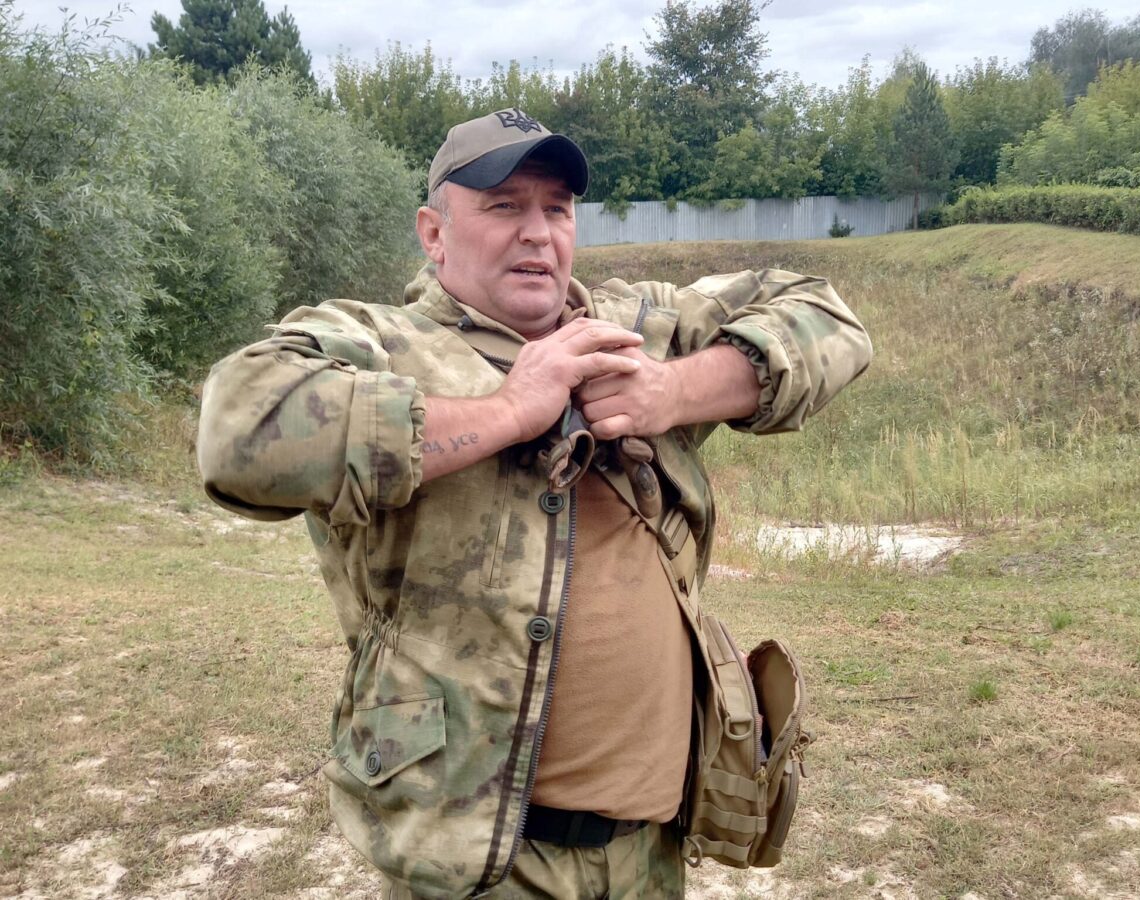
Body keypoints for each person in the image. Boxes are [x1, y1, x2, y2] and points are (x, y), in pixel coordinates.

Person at [196, 108, 872, 900]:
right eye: (503, 205)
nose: (537, 233)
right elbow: (239, 430)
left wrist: (670, 391)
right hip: (485, 864)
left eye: (557, 208)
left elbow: (828, 318)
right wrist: (509, 411)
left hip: (650, 852)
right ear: (434, 233)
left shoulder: (635, 332)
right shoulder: (380, 344)